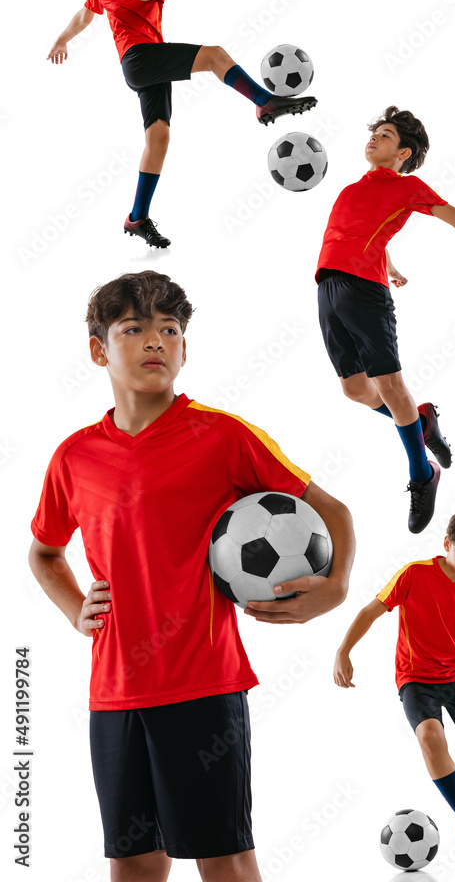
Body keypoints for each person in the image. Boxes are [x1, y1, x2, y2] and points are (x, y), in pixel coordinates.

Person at [28, 271, 355, 881]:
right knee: (134, 862)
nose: (156, 341)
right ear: (99, 349)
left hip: (203, 685)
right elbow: (44, 553)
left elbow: (333, 513)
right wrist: (76, 609)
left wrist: (334, 588)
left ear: (185, 347)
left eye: (169, 330)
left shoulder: (223, 436)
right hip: (115, 692)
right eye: (135, 329)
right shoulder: (73, 457)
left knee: (223, 858)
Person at [317, 106, 455, 533]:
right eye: (374, 134)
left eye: (385, 136)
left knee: (389, 386)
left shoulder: (408, 187)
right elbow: (365, 230)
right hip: (327, 289)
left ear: (403, 152)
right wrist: (391, 263)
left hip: (365, 294)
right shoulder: (352, 188)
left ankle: (422, 474)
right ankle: (422, 421)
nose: (373, 139)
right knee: (355, 390)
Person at [47, 0, 316, 248]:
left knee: (158, 140)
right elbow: (84, 16)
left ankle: (137, 217)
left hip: (152, 61)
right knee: (215, 56)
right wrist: (62, 41)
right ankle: (264, 101)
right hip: (137, 59)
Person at [334, 511, 455, 860]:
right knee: (430, 736)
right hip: (416, 677)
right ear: (446, 544)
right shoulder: (415, 574)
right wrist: (343, 651)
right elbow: (371, 611)